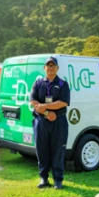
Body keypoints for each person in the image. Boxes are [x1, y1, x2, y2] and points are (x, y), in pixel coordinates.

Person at [29, 57, 71, 189]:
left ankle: (58, 180)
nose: (51, 68)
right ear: (44, 68)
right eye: (48, 66)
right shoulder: (38, 83)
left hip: (59, 122)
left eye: (53, 66)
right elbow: (33, 101)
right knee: (42, 150)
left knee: (58, 150)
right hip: (41, 122)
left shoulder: (63, 84)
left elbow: (63, 102)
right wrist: (47, 113)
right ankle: (44, 178)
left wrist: (46, 107)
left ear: (57, 68)